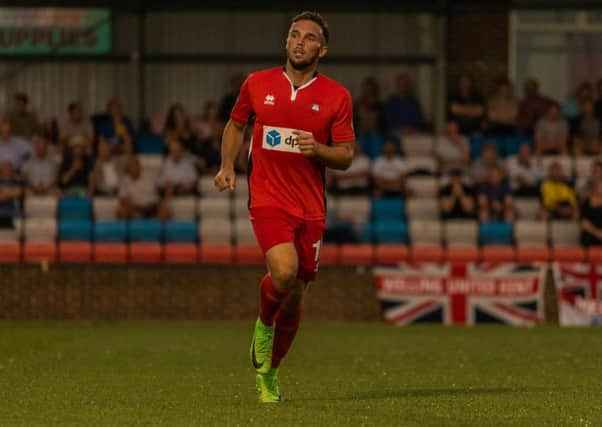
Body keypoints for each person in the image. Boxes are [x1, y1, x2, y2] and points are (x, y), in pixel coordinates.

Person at [214, 11, 355, 403]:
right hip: (268, 197)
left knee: (295, 294)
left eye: (309, 38)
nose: (299, 41)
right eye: (294, 34)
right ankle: (263, 325)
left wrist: (319, 149)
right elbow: (236, 124)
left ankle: (270, 372)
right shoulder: (257, 83)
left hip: (310, 207)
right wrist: (228, 165)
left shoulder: (337, 96)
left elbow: (346, 156)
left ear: (321, 50)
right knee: (284, 270)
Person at [117, 156, 169, 220]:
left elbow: (167, 184)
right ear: (128, 168)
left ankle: (161, 229)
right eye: (132, 166)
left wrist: (165, 201)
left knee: (165, 211)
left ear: (140, 166)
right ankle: (128, 229)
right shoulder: (124, 181)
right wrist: (133, 207)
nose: (134, 168)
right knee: (121, 211)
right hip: (135, 207)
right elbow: (123, 199)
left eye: (136, 165)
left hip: (152, 206)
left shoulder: (150, 176)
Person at [0, 161, 23, 228]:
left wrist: (3, 194)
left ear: (13, 170)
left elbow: (18, 192)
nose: (7, 170)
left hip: (13, 209)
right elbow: (13, 193)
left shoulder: (17, 182)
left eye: (9, 168)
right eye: (5, 168)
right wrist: (9, 193)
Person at [580, 179, 602, 246]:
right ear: (595, 187)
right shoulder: (587, 202)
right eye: (600, 186)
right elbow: (584, 223)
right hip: (591, 233)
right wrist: (597, 233)